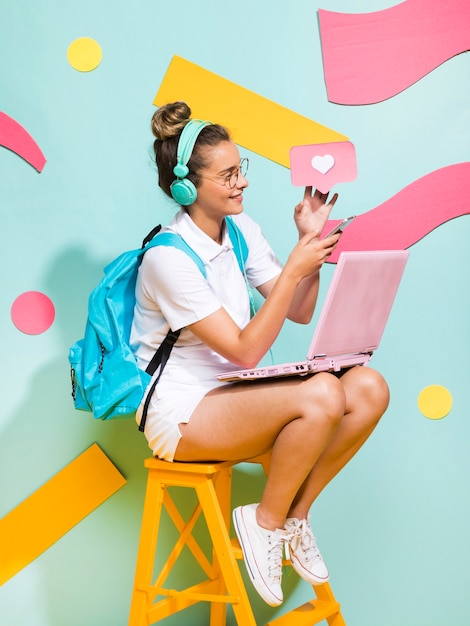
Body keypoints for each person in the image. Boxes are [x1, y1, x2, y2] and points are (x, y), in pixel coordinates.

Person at [130, 101, 390, 607]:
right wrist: (294, 268)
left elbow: (299, 311)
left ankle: (294, 517)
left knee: (366, 387)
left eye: (239, 169)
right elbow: (247, 351)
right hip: (182, 413)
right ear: (187, 187)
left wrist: (309, 243)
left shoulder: (241, 231)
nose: (241, 183)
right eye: (227, 175)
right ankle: (263, 520)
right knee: (320, 395)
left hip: (237, 395)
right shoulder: (167, 258)